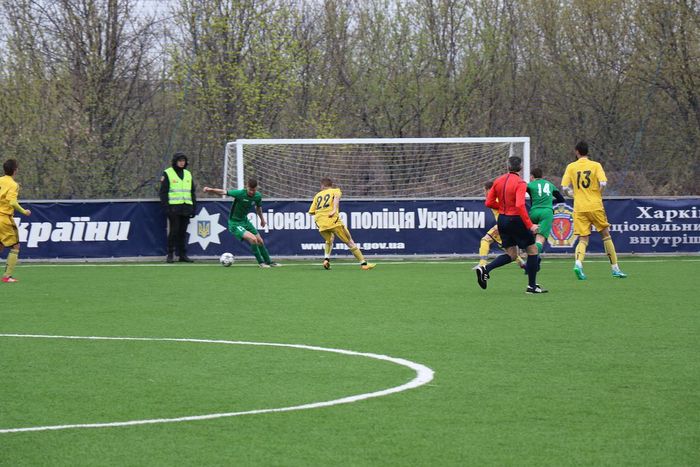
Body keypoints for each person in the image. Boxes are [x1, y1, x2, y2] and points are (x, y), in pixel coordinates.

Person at [473, 156, 546, 294]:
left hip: (502, 220)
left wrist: (502, 207)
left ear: (508, 167)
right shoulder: (520, 183)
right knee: (532, 250)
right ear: (521, 167)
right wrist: (530, 225)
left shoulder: (498, 181)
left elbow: (488, 202)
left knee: (512, 254)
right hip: (515, 219)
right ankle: (531, 286)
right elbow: (519, 205)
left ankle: (485, 269)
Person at [561, 141, 627, 280]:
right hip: (595, 205)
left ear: (576, 152)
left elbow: (565, 188)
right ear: (587, 152)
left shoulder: (571, 167)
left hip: (580, 207)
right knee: (606, 235)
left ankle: (578, 264)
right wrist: (597, 193)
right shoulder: (596, 165)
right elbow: (603, 183)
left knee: (583, 239)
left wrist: (573, 195)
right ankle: (615, 268)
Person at [203, 178, 279, 268]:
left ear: (256, 188)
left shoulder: (258, 196)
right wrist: (210, 189)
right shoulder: (240, 193)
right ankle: (261, 263)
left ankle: (269, 262)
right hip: (235, 223)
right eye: (250, 190)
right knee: (253, 239)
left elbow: (258, 208)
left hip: (245, 221)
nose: (252, 192)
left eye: (254, 190)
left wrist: (262, 219)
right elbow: (224, 192)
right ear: (247, 187)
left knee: (260, 241)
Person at [308, 178, 375, 270]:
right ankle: (364, 264)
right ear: (331, 185)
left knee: (329, 240)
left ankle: (326, 259)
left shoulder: (317, 195)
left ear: (322, 186)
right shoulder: (335, 191)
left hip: (320, 223)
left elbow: (311, 212)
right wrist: (334, 209)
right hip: (333, 221)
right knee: (350, 242)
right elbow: (336, 198)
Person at [478, 181, 527, 271]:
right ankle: (524, 265)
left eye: (484, 190)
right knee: (509, 250)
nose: (484, 193)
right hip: (508, 224)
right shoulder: (501, 197)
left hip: (502, 225)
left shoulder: (495, 199)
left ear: (489, 190)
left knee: (485, 240)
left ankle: (482, 265)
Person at [159, 153, 196, 263]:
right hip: (173, 207)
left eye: (183, 161)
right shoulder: (168, 173)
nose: (182, 163)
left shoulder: (188, 173)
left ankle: (182, 255)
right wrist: (166, 207)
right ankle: (170, 254)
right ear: (175, 161)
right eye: (179, 161)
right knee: (174, 231)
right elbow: (163, 192)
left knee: (183, 232)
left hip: (186, 206)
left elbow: (192, 192)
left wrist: (193, 207)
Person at [0, 159, 32, 283]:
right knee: (15, 246)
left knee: (1, 245)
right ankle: (7, 276)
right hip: (4, 218)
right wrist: (24, 211)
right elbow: (12, 202)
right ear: (15, 170)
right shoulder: (13, 185)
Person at [526, 167, 566, 257]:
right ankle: (534, 259)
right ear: (542, 176)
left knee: (531, 238)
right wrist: (549, 202)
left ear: (532, 176)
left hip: (533, 212)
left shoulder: (530, 185)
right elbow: (561, 199)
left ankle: (531, 256)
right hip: (546, 213)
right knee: (540, 240)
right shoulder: (550, 185)